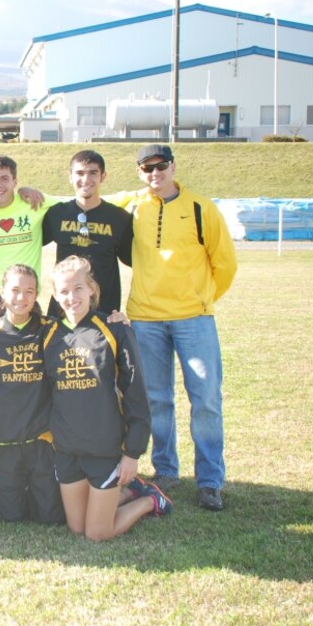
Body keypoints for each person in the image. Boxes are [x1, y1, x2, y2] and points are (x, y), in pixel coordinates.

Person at [119, 144, 237, 511]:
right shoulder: (133, 205)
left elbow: (225, 263)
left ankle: (210, 480)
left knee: (205, 399)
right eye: (147, 168)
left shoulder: (201, 208)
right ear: (139, 172)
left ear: (173, 167)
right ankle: (166, 470)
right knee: (156, 399)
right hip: (146, 317)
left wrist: (201, 299)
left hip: (194, 318)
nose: (155, 173)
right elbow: (85, 194)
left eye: (161, 166)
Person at [43, 256, 171, 541]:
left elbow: (136, 394)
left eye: (78, 288)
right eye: (63, 291)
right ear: (54, 295)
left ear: (91, 289)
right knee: (77, 528)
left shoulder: (115, 329)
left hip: (105, 448)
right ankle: (129, 490)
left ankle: (149, 500)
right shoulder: (49, 334)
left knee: (97, 533)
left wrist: (132, 453)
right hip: (67, 450)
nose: (71, 297)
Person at [0, 264, 63, 524]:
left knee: (50, 517)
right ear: (2, 292)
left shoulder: (49, 329)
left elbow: (84, 329)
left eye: (29, 291)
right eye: (15, 290)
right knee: (9, 517)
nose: (21, 297)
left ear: (37, 294)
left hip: (41, 440)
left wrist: (114, 321)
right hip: (4, 440)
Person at [0, 156, 59, 322]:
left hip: (24, 297)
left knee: (27, 349)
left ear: (15, 181)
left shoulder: (34, 202)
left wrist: (121, 198)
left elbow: (77, 202)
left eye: (5, 178)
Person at [42, 150, 132, 316]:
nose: (86, 179)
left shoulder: (119, 218)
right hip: (64, 310)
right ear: (70, 176)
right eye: (80, 173)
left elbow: (134, 260)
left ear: (103, 176)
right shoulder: (56, 214)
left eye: (93, 173)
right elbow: (27, 242)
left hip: (104, 310)